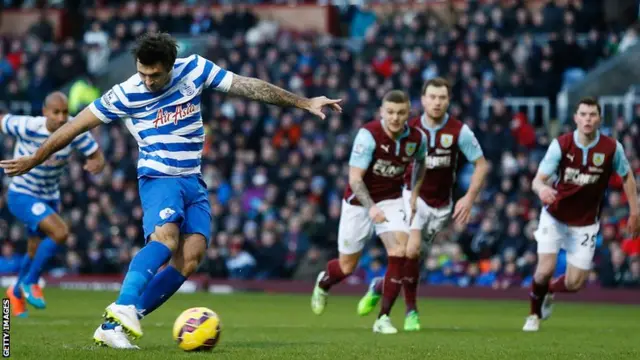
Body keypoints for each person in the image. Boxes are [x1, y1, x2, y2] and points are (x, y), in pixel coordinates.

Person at [0, 32, 341, 349]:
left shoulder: (194, 69)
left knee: (191, 257)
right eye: (142, 73)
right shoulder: (125, 93)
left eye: (155, 75)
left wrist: (303, 103)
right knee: (165, 240)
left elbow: (246, 86)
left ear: (171, 66)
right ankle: (123, 306)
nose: (147, 81)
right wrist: (35, 157)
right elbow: (73, 127)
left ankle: (113, 327)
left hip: (193, 178)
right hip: (158, 176)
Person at [357, 77, 488, 331]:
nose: (437, 102)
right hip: (411, 197)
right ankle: (408, 312)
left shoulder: (458, 131)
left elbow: (481, 165)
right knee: (410, 250)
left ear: (448, 101)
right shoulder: (411, 129)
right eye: (432, 97)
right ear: (423, 100)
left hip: (441, 206)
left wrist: (469, 197)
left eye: (442, 98)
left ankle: (380, 285)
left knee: (413, 262)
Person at [310, 90, 428, 334]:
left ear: (408, 114)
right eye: (391, 113)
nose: (395, 118)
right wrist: (371, 206)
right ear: (382, 113)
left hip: (391, 200)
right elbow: (354, 179)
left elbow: (422, 162)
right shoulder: (369, 135)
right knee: (346, 267)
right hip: (358, 202)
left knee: (401, 252)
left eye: (401, 113)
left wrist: (414, 193)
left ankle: (382, 319)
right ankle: (324, 282)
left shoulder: (417, 139)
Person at [523, 97, 639, 332]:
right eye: (583, 114)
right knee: (545, 268)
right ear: (575, 118)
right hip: (555, 216)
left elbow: (627, 176)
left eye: (592, 115)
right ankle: (533, 315)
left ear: (599, 119)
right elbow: (538, 179)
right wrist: (542, 188)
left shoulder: (610, 148)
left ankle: (550, 292)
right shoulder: (561, 145)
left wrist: (635, 211)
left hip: (585, 223)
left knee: (575, 283)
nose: (587, 119)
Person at [1, 92, 105, 317]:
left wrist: (95, 162)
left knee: (34, 249)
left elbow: (96, 153)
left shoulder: (73, 130)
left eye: (65, 112)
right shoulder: (28, 125)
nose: (61, 117)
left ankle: (16, 294)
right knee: (60, 233)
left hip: (50, 196)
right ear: (45, 112)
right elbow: (2, 121)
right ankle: (30, 282)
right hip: (22, 194)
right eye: (56, 112)